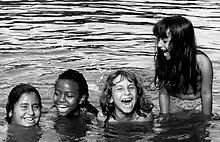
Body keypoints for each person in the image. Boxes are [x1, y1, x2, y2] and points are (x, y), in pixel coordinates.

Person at [152, 15, 213, 119]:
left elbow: (206, 93)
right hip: (174, 102)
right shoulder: (163, 60)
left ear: (182, 43)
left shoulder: (202, 62)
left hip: (197, 103)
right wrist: (164, 116)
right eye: (158, 40)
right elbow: (163, 93)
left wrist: (206, 118)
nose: (159, 45)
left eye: (165, 41)